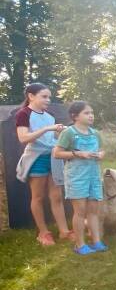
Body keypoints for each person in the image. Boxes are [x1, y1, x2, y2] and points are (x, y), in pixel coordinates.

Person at [15, 83, 71, 245]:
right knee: (38, 197)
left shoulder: (49, 115)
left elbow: (51, 139)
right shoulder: (23, 114)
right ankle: (43, 233)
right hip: (36, 158)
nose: (48, 100)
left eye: (49, 97)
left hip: (53, 157)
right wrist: (47, 128)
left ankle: (64, 231)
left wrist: (59, 132)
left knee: (56, 196)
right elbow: (23, 138)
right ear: (31, 96)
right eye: (44, 96)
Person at [53, 102, 107, 254]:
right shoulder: (69, 133)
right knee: (80, 211)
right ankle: (80, 244)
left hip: (94, 176)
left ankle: (96, 242)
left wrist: (101, 155)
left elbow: (102, 150)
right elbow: (57, 153)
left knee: (93, 211)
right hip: (76, 177)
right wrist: (78, 153)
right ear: (75, 116)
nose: (91, 116)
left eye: (92, 113)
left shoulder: (95, 133)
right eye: (86, 113)